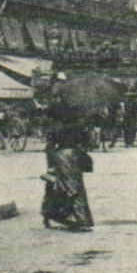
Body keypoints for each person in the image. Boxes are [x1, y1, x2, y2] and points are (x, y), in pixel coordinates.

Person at [41, 99, 96, 231]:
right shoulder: (80, 124)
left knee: (60, 186)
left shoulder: (55, 125)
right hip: (74, 156)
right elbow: (90, 144)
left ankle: (51, 214)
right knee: (74, 187)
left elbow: (50, 146)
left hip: (60, 155)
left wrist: (50, 163)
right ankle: (81, 219)